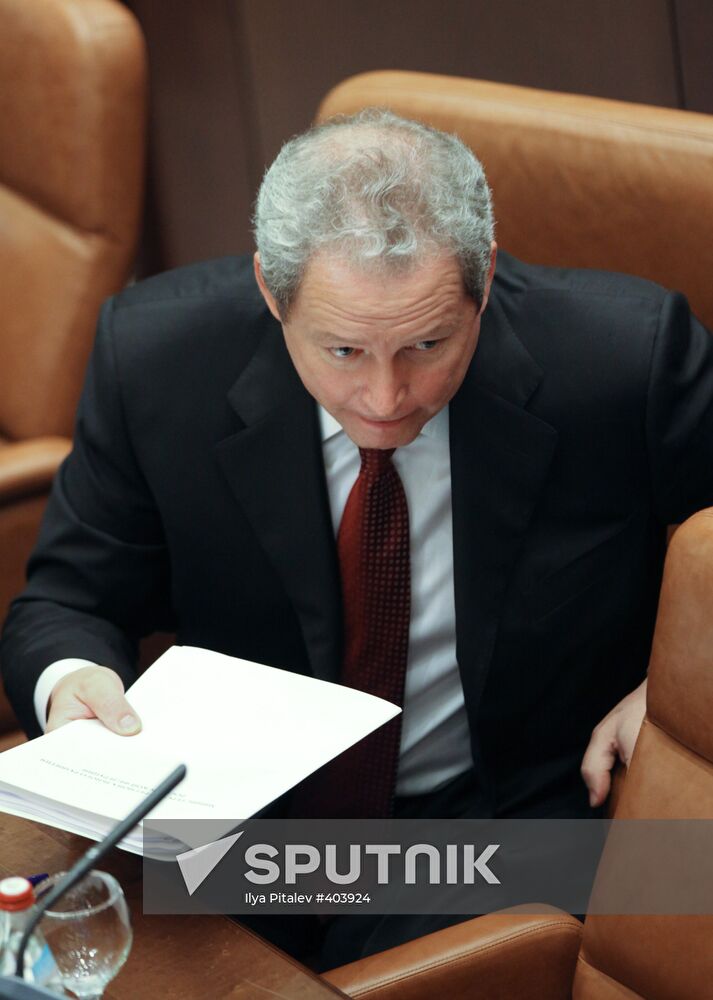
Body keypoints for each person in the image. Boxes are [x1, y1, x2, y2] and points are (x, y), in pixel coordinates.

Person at [2, 109, 713, 965]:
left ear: (482, 280)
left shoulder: (623, 358)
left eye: (426, 343)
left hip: (502, 825)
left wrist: (668, 692)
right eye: (342, 350)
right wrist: (72, 680)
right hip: (231, 831)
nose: (385, 397)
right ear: (271, 292)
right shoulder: (156, 359)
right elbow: (68, 600)